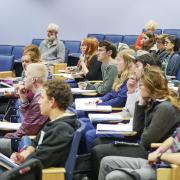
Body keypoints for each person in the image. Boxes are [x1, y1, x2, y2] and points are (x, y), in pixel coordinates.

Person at [91, 66, 180, 180]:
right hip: (149, 149)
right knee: (98, 143)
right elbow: (137, 129)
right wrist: (141, 103)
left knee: (99, 151)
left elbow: (146, 141)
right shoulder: (154, 102)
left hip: (149, 150)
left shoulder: (164, 108)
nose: (139, 87)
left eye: (141, 85)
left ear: (150, 87)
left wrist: (158, 154)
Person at [10, 79, 77, 169]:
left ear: (51, 101)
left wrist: (22, 160)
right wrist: (24, 154)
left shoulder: (61, 130)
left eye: (42, 97)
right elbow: (35, 144)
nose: (39, 102)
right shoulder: (54, 122)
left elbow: (40, 161)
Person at [98, 126, 180, 180]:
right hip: (155, 163)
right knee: (106, 162)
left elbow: (145, 139)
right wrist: (158, 152)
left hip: (166, 171)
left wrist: (160, 156)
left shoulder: (165, 108)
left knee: (114, 176)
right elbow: (173, 138)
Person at [3, 63, 49, 140]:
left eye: (26, 76)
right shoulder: (39, 94)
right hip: (25, 136)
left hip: (25, 141)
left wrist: (6, 136)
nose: (24, 80)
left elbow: (27, 131)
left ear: (33, 79)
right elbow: (26, 121)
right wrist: (24, 100)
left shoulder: (40, 98)